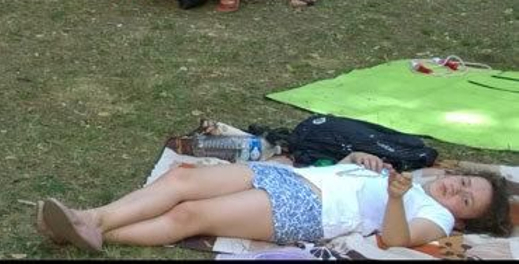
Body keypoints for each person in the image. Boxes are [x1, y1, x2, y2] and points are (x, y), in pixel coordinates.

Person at [33, 154, 508, 253]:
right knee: (183, 177)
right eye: (464, 182)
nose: (457, 191)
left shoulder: (437, 217)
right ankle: (89, 219)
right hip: (295, 176)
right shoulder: (422, 181)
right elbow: (349, 175)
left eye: (467, 200)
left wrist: (393, 198)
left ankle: (91, 229)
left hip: (311, 211)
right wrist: (354, 161)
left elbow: (397, 239)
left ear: (465, 216)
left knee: (188, 216)